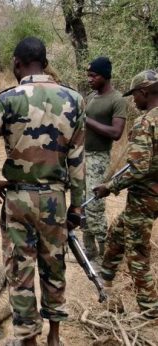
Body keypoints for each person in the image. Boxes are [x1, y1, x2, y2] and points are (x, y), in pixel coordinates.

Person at [0, 37, 85, 346]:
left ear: (17, 63)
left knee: (20, 272)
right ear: (44, 63)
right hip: (56, 200)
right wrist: (77, 207)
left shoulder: (7, 100)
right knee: (54, 266)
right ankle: (55, 337)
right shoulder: (74, 100)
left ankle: (27, 340)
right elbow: (77, 161)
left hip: (18, 198)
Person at [93, 70, 158, 319]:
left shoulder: (146, 122)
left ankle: (150, 310)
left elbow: (138, 167)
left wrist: (110, 186)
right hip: (153, 195)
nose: (133, 101)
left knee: (137, 253)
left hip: (145, 198)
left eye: (134, 96)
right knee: (118, 230)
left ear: (143, 92)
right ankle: (105, 277)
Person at [83, 56, 128, 260]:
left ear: (105, 76)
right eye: (89, 75)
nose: (90, 79)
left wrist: (87, 121)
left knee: (94, 204)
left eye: (94, 75)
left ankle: (105, 253)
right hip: (83, 155)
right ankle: (89, 251)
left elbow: (116, 133)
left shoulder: (117, 100)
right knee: (82, 203)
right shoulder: (92, 97)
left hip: (99, 157)